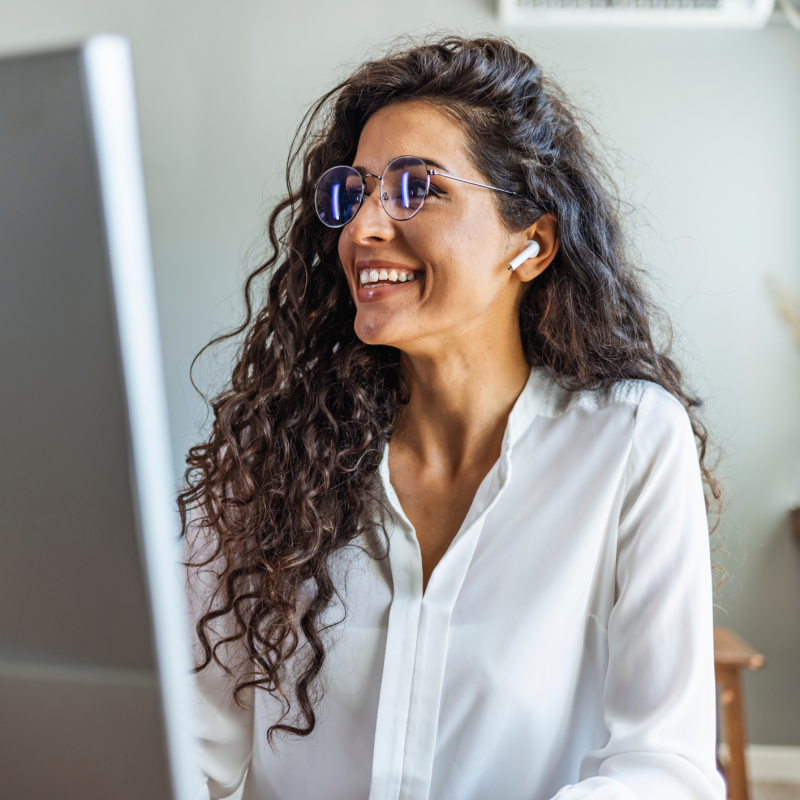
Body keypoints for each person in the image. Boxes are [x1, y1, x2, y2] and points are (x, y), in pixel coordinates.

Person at [179, 35, 725, 800]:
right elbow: (187, 749)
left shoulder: (630, 441)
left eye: (416, 188)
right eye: (356, 192)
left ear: (530, 244)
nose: (364, 228)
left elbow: (661, 768)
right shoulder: (272, 456)